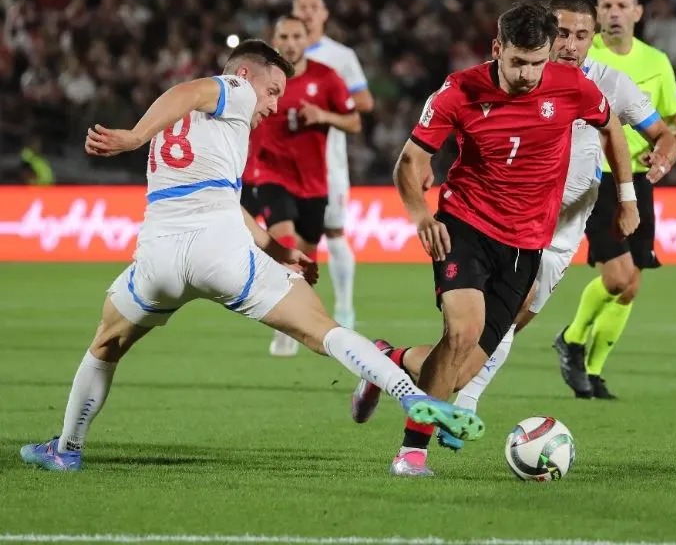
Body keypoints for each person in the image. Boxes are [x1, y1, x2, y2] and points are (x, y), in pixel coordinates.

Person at [18, 39, 483, 472]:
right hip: (220, 253)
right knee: (322, 329)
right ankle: (407, 393)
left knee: (104, 345)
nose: (274, 105)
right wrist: (134, 136)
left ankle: (66, 450)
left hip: (159, 257)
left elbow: (222, 197)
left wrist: (277, 248)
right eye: (273, 91)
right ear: (245, 74)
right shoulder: (232, 88)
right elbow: (193, 88)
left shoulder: (199, 128)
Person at [350, 0, 676, 450]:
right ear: (503, 47)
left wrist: (629, 195)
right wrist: (422, 204)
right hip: (475, 223)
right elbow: (415, 154)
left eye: (579, 36)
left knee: (474, 353)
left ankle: (389, 362)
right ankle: (434, 432)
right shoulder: (469, 88)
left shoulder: (590, 85)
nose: (566, 47)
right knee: (464, 333)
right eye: (559, 35)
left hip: (546, 236)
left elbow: (628, 131)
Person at [555, 0, 676, 399]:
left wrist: (675, 145)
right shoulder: (578, 51)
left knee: (632, 284)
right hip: (594, 177)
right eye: (607, 6)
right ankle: (574, 339)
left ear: (637, 13)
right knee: (618, 278)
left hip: (638, 178)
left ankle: (593, 374)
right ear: (596, 16)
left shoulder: (656, 62)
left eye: (623, 6)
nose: (614, 13)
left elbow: (673, 120)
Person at [252, 16, 361, 358]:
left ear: (306, 40)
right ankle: (285, 326)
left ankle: (298, 321)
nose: (290, 41)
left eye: (296, 35)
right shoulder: (258, 78)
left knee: (306, 262)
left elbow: (354, 120)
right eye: (283, 35)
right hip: (271, 176)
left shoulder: (326, 77)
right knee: (284, 245)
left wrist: (324, 116)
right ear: (275, 39)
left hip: (314, 183)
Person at [292, 0, 375, 330]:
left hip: (328, 162)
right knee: (288, 238)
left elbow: (365, 103)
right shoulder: (279, 56)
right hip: (282, 163)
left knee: (334, 231)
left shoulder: (340, 56)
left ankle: (343, 310)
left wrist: (325, 110)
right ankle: (294, 313)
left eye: (315, 6)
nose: (309, 12)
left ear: (325, 14)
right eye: (302, 7)